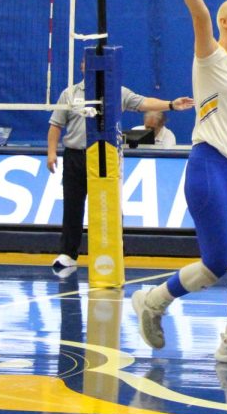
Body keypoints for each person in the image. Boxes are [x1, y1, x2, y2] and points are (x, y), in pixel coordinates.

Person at [131, 0, 227, 365]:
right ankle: (153, 301)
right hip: (208, 165)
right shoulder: (208, 56)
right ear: (225, 22)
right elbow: (201, 16)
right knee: (215, 264)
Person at [47, 56, 193, 274]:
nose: (92, 67)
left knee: (109, 206)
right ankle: (68, 254)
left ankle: (114, 249)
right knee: (72, 207)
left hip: (104, 157)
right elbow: (55, 125)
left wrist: (171, 105)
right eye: (88, 62)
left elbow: (143, 102)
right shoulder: (69, 94)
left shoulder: (117, 92)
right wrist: (51, 153)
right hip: (74, 157)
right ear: (82, 66)